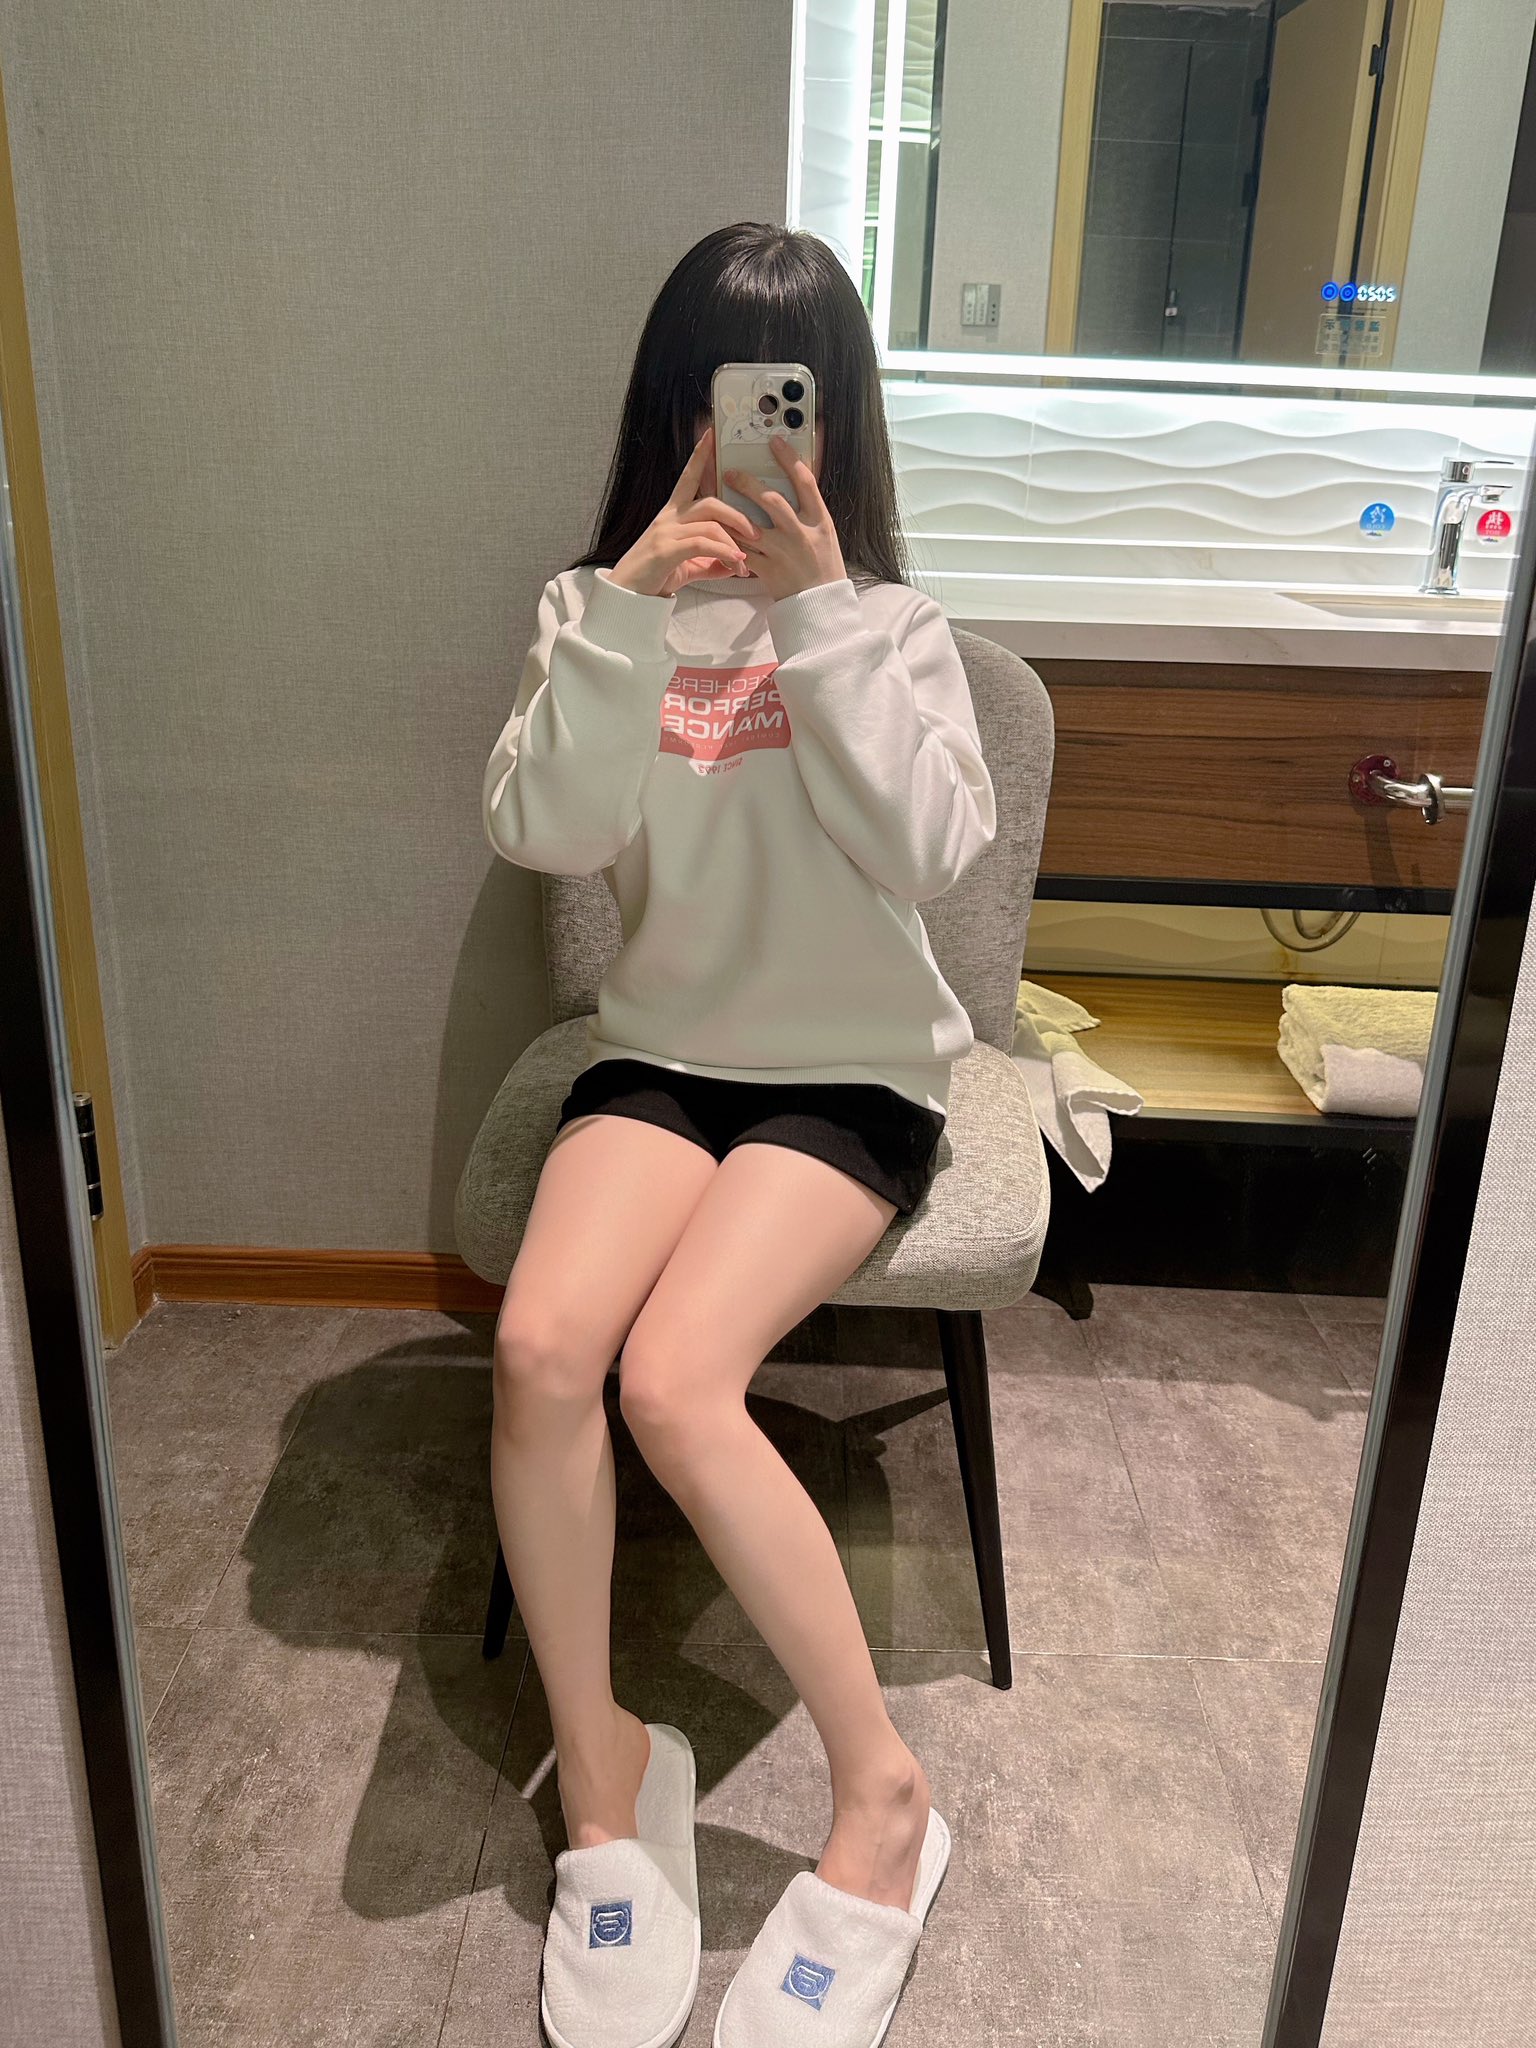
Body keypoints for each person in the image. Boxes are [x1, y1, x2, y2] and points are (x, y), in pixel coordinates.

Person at [481, 220, 996, 2048]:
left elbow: (933, 857)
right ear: (675, 410)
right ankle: (606, 1772)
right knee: (542, 1349)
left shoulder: (894, 629)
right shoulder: (592, 608)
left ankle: (885, 1794)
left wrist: (821, 614)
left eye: (796, 402)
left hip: (850, 1071)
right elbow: (546, 835)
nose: (766, 436)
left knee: (677, 1382)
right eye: (733, 398)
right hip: (667, 1058)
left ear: (834, 420)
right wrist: (627, 606)